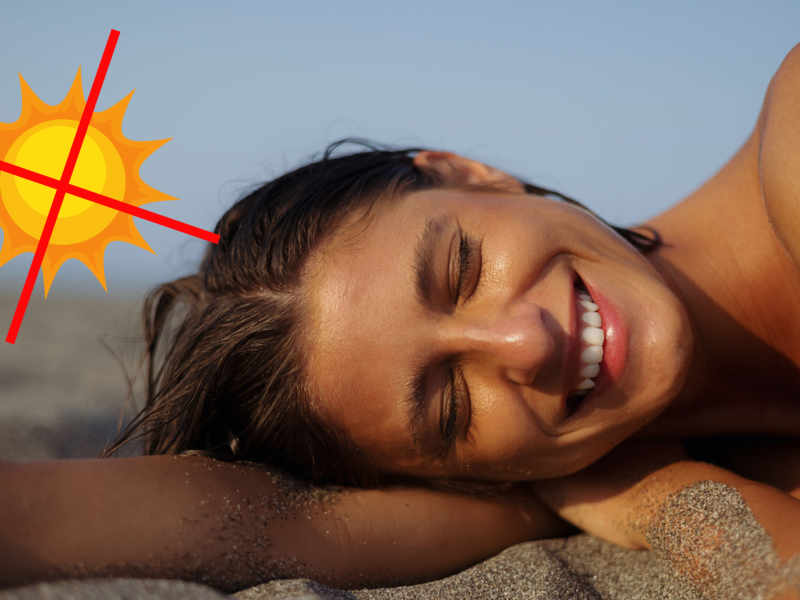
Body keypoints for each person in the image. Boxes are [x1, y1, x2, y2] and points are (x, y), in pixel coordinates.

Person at [2, 43, 800, 598]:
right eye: (452, 406)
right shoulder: (582, 470)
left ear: (470, 174)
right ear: (464, 479)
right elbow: (271, 526)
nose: (524, 342)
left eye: (463, 270)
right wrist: (671, 498)